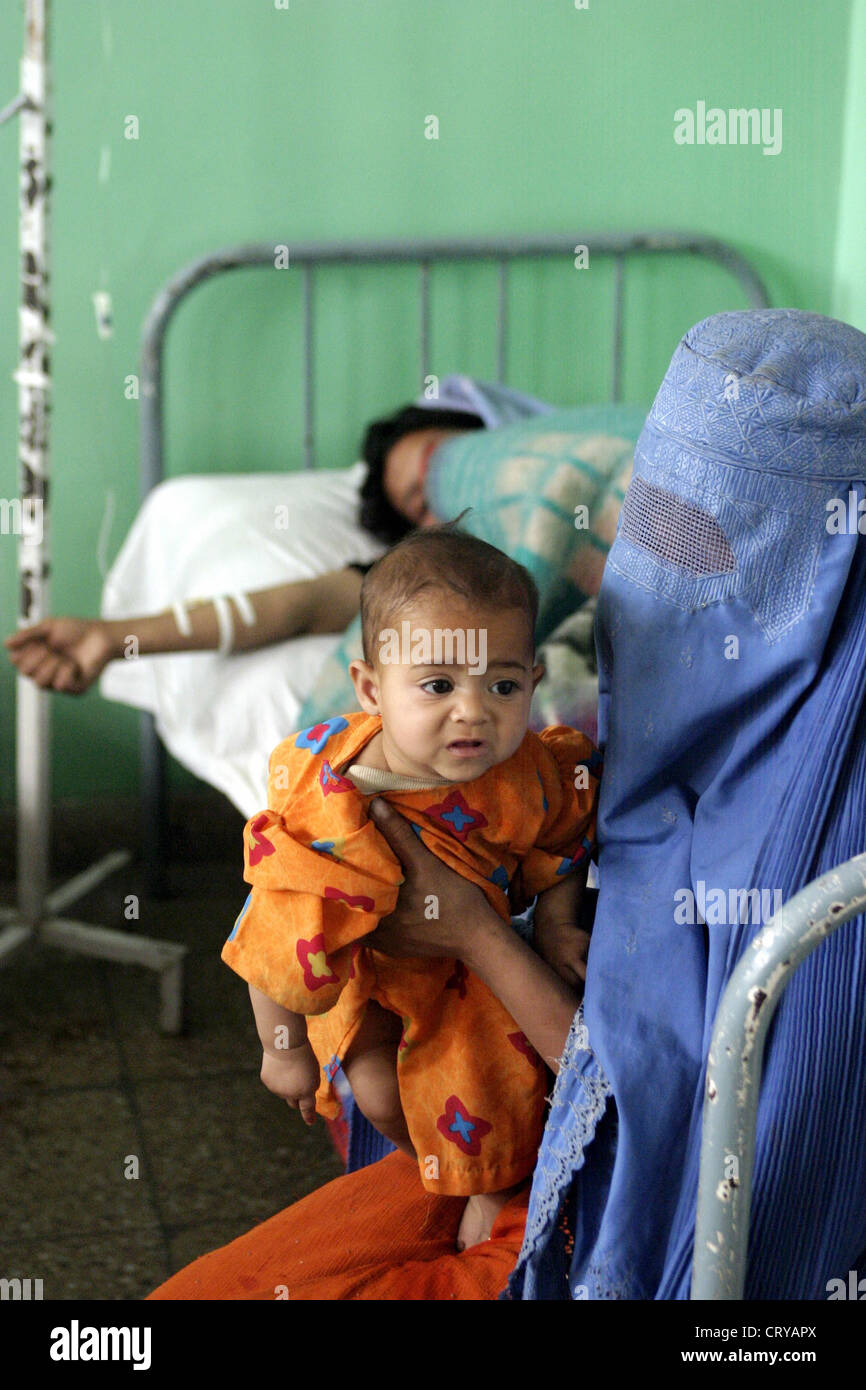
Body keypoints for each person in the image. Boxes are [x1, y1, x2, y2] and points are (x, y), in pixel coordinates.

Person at [148, 307, 866, 1301]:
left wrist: (481, 934)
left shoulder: (821, 841)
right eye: (650, 518)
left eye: (708, 534)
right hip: (503, 1121)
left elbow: (708, 1134)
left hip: (635, 1216)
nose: (659, 571)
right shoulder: (656, 712)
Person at [223, 526, 600, 1251]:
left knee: (496, 1090)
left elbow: (564, 842)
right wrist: (283, 1048)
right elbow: (266, 933)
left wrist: (555, 923)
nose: (473, 710)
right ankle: (427, 1161)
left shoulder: (529, 772)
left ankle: (492, 1182)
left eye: (503, 685)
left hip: (472, 975)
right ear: (371, 689)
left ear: (532, 681)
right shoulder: (337, 805)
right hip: (367, 971)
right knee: (374, 1093)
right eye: (437, 685)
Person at [3, 403, 485, 694]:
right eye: (420, 503)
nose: (444, 487)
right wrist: (111, 638)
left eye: (440, 459)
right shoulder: (456, 574)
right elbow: (298, 606)